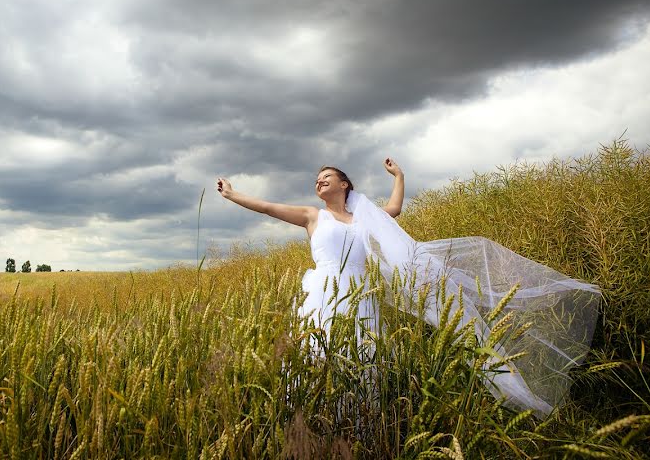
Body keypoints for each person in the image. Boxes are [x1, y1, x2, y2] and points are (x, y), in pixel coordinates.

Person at [216, 161, 600, 417]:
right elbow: (267, 207)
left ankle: (357, 424)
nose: (319, 181)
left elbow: (395, 211)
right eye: (317, 178)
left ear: (345, 184)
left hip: (362, 298)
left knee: (362, 360)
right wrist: (232, 195)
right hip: (324, 295)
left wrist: (398, 176)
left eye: (327, 177)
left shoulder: (365, 218)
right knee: (317, 355)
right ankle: (310, 417)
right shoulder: (311, 215)